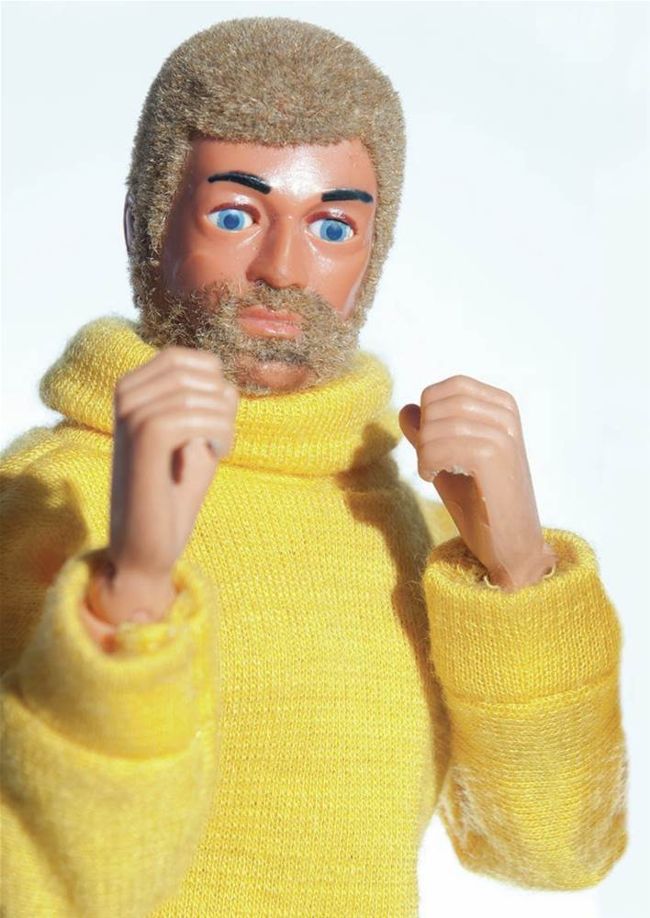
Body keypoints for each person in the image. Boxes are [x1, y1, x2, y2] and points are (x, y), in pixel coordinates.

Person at [0, 17, 628, 917]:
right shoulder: (39, 501)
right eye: (234, 216)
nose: (285, 269)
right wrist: (130, 595)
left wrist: (519, 573)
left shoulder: (407, 529)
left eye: (333, 226)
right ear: (146, 224)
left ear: (374, 255)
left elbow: (553, 854)